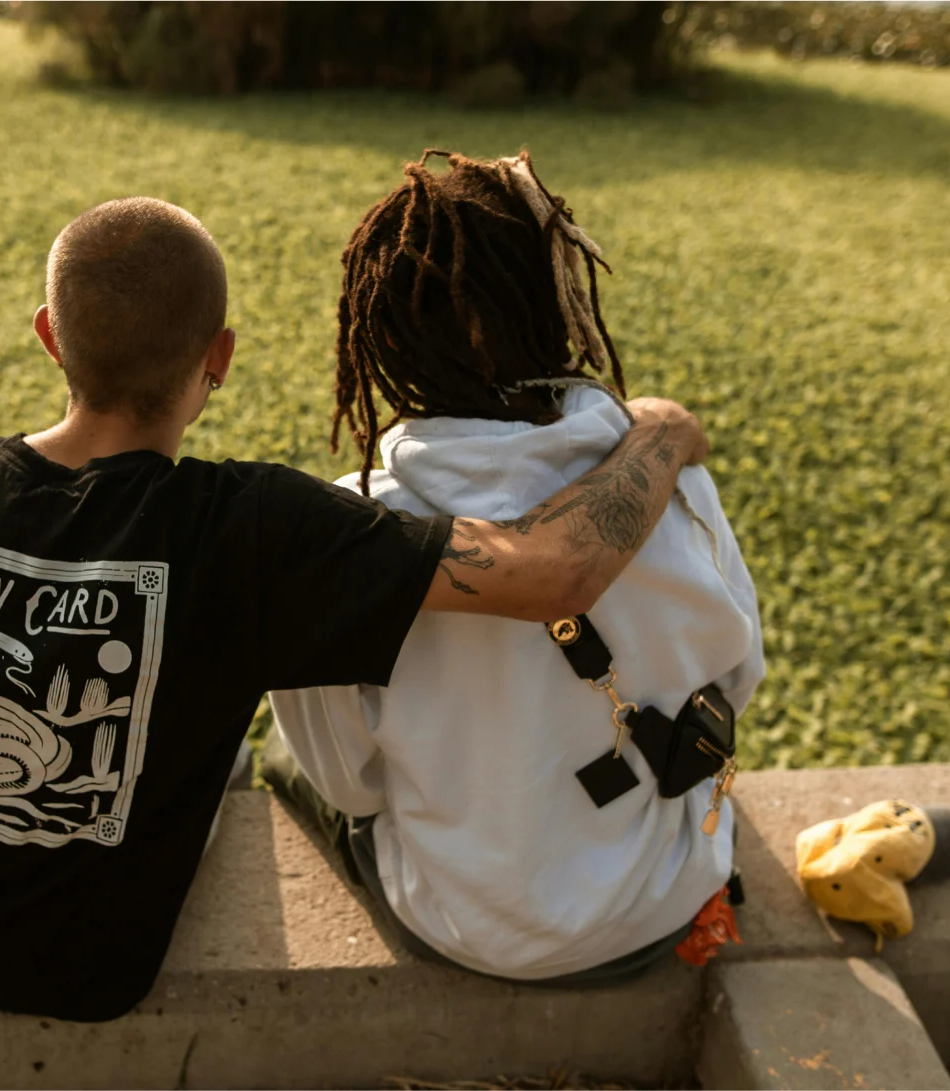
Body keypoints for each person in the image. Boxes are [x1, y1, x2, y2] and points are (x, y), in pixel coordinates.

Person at [0, 195, 712, 1022]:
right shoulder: (255, 530)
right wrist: (661, 431)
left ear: (49, 336)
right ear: (220, 356)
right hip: (82, 969)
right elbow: (553, 574)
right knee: (229, 760)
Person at [266, 150, 765, 984]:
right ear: (562, 301)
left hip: (466, 927)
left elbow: (352, 787)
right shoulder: (666, 472)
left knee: (281, 757)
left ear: (381, 338)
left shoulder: (350, 533)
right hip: (667, 895)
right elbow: (738, 678)